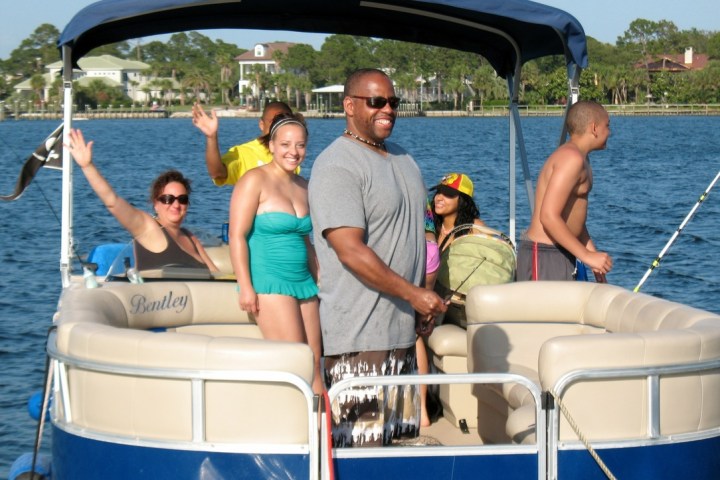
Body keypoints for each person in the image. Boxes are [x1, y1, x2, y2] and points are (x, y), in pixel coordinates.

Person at [308, 68, 447, 447]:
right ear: (349, 106)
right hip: (357, 342)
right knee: (362, 456)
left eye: (392, 102)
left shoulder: (404, 159)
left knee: (398, 455)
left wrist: (422, 301)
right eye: (376, 101)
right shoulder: (336, 165)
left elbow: (415, 237)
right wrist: (414, 295)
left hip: (402, 336)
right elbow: (350, 251)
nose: (387, 109)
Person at [228, 112, 323, 395]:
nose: (293, 152)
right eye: (285, 144)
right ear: (271, 145)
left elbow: (305, 240)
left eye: (300, 145)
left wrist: (320, 279)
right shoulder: (253, 180)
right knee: (297, 364)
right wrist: (245, 287)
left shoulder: (305, 186)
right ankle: (301, 434)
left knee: (316, 363)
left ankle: (326, 434)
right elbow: (237, 236)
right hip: (270, 282)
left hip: (304, 282)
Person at [66, 129, 218, 273]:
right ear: (155, 203)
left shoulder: (190, 237)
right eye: (168, 199)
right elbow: (112, 202)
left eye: (182, 199)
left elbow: (215, 276)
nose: (176, 205)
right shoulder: (149, 228)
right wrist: (87, 166)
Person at [517, 100, 613, 282]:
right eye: (607, 126)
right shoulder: (571, 159)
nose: (609, 132)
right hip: (545, 253)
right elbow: (548, 216)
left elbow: (573, 217)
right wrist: (585, 255)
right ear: (594, 128)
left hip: (563, 251)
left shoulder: (583, 160)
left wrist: (593, 256)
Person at [192, 101, 292, 186]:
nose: (279, 127)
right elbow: (217, 173)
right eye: (273, 122)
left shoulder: (293, 153)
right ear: (262, 125)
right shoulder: (243, 153)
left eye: (285, 122)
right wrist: (211, 137)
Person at [431, 172, 486, 250]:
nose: (439, 198)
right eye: (438, 192)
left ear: (463, 201)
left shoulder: (475, 228)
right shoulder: (429, 225)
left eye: (448, 194)